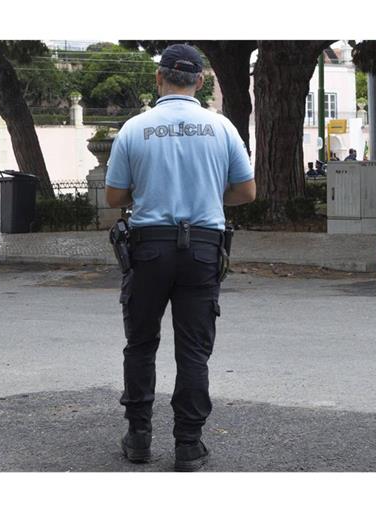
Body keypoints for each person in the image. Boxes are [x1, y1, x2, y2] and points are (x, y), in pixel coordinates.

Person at [105, 44, 255, 471]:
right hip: (204, 246)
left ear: (159, 78)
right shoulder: (221, 127)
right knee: (193, 351)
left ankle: (138, 437)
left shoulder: (135, 128)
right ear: (200, 82)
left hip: (149, 246)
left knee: (140, 343)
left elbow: (115, 196)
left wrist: (149, 191)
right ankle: (188, 444)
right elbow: (246, 191)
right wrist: (207, 194)